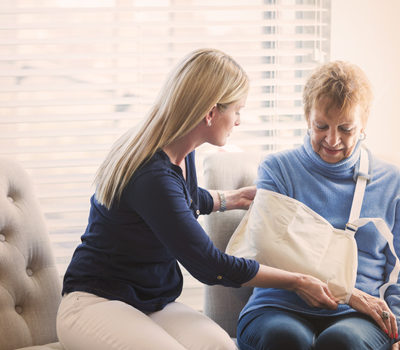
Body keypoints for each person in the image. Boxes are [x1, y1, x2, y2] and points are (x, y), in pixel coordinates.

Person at [56, 48, 338, 350]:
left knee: (223, 347)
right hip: (95, 303)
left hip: (151, 302)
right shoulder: (152, 175)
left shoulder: (180, 151)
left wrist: (230, 199)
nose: (238, 121)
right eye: (237, 110)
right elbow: (209, 264)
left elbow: (182, 200)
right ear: (211, 112)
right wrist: (297, 280)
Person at [237, 60, 400, 350]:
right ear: (306, 116)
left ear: (364, 123)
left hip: (359, 316)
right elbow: (266, 250)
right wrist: (347, 293)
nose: (332, 140)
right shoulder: (278, 170)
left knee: (342, 342)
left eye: (346, 129)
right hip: (278, 305)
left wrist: (397, 324)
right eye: (321, 126)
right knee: (287, 339)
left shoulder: (391, 182)